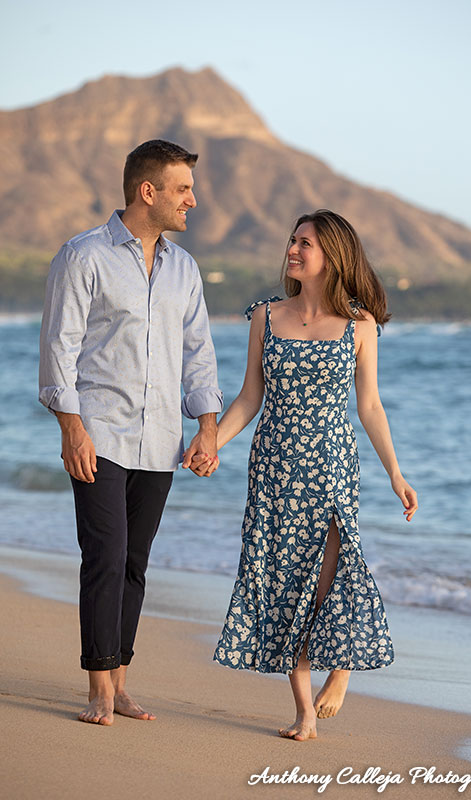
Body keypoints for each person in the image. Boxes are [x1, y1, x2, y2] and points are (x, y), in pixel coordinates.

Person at [210, 209, 417, 741]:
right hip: (273, 470)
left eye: (305, 243)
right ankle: (303, 715)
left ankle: (342, 670)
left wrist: (395, 472)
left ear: (333, 256)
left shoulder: (360, 326)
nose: (293, 249)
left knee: (330, 578)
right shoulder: (265, 316)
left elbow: (369, 406)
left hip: (329, 469)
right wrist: (210, 442)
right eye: (293, 240)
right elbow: (250, 398)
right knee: (283, 586)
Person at [39, 139, 222, 726]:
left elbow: (198, 352)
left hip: (161, 438)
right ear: (149, 191)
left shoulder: (185, 269)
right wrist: (71, 428)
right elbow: (59, 349)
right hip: (100, 433)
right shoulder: (83, 256)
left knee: (135, 562)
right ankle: (97, 686)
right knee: (105, 555)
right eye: (183, 189)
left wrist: (208, 427)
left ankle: (119, 681)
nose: (193, 200)